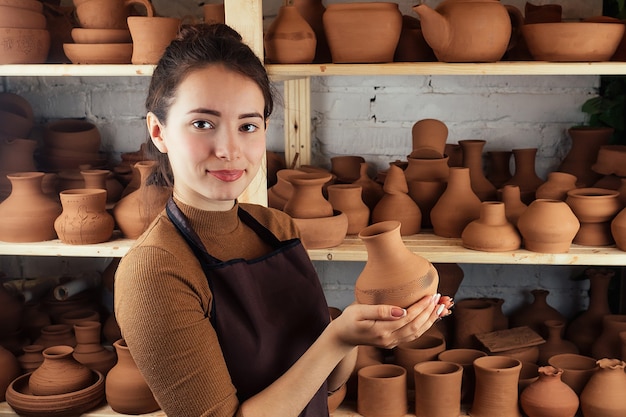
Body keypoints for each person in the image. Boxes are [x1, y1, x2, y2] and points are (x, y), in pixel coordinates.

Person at [114, 23, 453, 417]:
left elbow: (328, 384)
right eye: (202, 123)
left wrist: (358, 333)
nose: (229, 150)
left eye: (247, 126)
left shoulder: (277, 228)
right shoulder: (154, 271)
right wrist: (338, 337)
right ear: (159, 131)